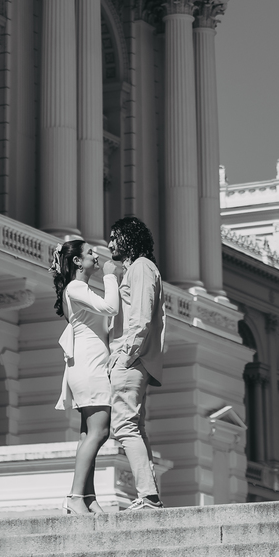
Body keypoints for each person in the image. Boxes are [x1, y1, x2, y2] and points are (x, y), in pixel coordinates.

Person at [51, 239, 120, 514]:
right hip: (90, 367)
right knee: (99, 431)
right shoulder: (76, 287)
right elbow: (111, 308)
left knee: (88, 434)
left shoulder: (80, 288)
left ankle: (88, 497)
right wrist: (111, 276)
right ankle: (75, 496)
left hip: (88, 365)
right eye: (90, 252)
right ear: (77, 261)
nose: (97, 255)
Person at [107, 215, 165, 510]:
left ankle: (148, 495)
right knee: (135, 427)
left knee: (124, 426)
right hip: (135, 358)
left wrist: (125, 355)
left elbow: (141, 317)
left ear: (128, 238)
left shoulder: (141, 267)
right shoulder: (138, 269)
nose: (109, 245)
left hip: (132, 358)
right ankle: (150, 495)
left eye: (114, 238)